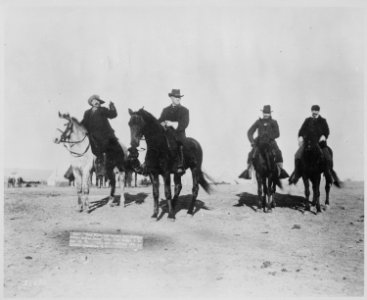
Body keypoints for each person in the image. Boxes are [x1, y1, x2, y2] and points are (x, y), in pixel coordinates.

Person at [239, 105, 289, 180]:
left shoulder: (274, 122)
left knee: (278, 152)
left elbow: (277, 133)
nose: (266, 114)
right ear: (263, 113)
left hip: (270, 141)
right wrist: (252, 141)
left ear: (270, 113)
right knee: (251, 154)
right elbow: (249, 132)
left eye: (267, 113)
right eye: (264, 112)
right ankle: (248, 171)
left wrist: (270, 136)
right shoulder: (258, 122)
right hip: (259, 141)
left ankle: (281, 170)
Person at [289, 105, 334, 184]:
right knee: (297, 155)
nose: (314, 112)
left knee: (328, 157)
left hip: (320, 144)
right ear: (311, 111)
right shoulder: (307, 120)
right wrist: (300, 137)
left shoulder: (323, 120)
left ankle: (329, 174)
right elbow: (301, 131)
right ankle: (296, 174)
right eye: (313, 110)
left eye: (316, 110)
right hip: (308, 143)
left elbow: (327, 131)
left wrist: (324, 136)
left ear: (318, 111)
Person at [81, 94, 124, 172]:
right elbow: (83, 123)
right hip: (92, 136)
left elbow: (113, 114)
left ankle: (117, 163)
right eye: (94, 101)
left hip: (105, 135)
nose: (96, 102)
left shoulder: (103, 110)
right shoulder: (87, 113)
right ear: (91, 102)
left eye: (98, 101)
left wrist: (112, 106)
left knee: (115, 147)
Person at [158, 89, 189, 174]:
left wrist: (172, 123)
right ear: (171, 98)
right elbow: (159, 120)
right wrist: (162, 123)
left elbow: (184, 123)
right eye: (176, 97)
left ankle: (180, 164)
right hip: (167, 134)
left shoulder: (184, 110)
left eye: (179, 97)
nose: (178, 98)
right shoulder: (165, 110)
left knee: (177, 143)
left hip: (179, 134)